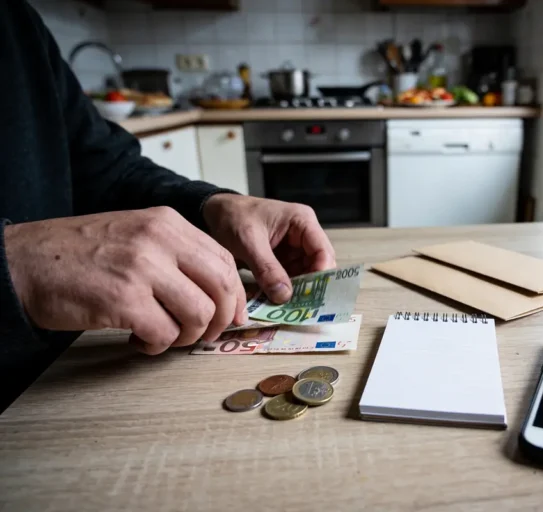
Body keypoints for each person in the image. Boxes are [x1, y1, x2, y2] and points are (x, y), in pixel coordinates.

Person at [0, 0, 336, 411]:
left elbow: (109, 171)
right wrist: (14, 262)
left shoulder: (16, 21)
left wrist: (213, 205)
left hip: (75, 377)